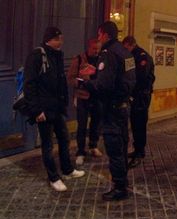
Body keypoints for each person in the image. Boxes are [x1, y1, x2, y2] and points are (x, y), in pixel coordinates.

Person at [23, 27, 85, 192]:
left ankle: (67, 170)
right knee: (48, 145)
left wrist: (64, 103)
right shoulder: (37, 56)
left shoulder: (57, 55)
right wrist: (36, 111)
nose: (61, 42)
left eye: (61, 39)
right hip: (44, 110)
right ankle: (53, 177)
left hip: (57, 108)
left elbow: (59, 81)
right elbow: (29, 85)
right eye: (58, 39)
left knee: (64, 139)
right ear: (49, 39)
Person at [86, 21, 136, 201]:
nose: (98, 39)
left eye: (99, 35)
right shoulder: (125, 52)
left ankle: (119, 188)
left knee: (114, 149)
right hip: (123, 107)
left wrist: (86, 83)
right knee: (122, 147)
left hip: (112, 109)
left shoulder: (108, 53)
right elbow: (127, 78)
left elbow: (104, 85)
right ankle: (123, 182)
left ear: (104, 34)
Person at [67, 38, 103, 165]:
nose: (96, 51)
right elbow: (70, 78)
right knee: (82, 125)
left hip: (97, 97)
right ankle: (80, 152)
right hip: (83, 97)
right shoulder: (79, 59)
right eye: (94, 48)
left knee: (96, 123)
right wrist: (81, 83)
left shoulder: (101, 60)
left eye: (98, 48)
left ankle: (93, 146)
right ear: (89, 47)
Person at [122, 36, 155, 168]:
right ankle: (137, 150)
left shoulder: (142, 57)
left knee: (140, 123)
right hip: (135, 95)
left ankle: (140, 153)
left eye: (126, 48)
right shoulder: (133, 56)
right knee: (135, 123)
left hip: (141, 95)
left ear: (131, 45)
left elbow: (140, 77)